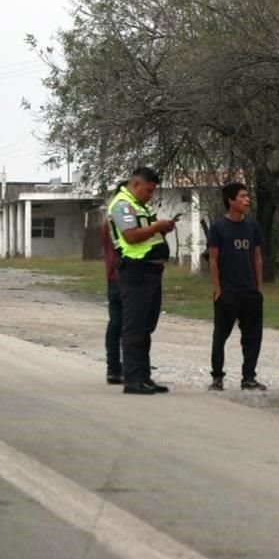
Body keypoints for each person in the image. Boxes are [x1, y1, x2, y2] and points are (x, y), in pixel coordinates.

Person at [107, 167, 176, 395]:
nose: (150, 195)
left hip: (151, 272)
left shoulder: (140, 205)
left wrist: (161, 230)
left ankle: (144, 376)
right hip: (135, 271)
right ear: (136, 185)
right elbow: (131, 236)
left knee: (146, 328)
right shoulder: (122, 205)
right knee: (134, 328)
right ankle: (133, 379)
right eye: (148, 190)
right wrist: (157, 226)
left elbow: (146, 234)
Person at [208, 182, 266, 391]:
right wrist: (218, 289)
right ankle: (217, 377)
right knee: (220, 336)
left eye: (248, 196)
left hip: (249, 292)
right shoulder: (218, 228)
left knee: (252, 337)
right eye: (242, 196)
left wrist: (259, 288)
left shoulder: (253, 227)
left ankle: (248, 377)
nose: (247, 200)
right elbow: (213, 260)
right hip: (227, 293)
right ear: (231, 201)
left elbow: (257, 257)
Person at [101, 219, 123, 384]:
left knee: (115, 323)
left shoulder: (108, 220)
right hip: (126, 275)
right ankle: (130, 368)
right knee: (130, 325)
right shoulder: (123, 216)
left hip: (113, 275)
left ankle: (113, 368)